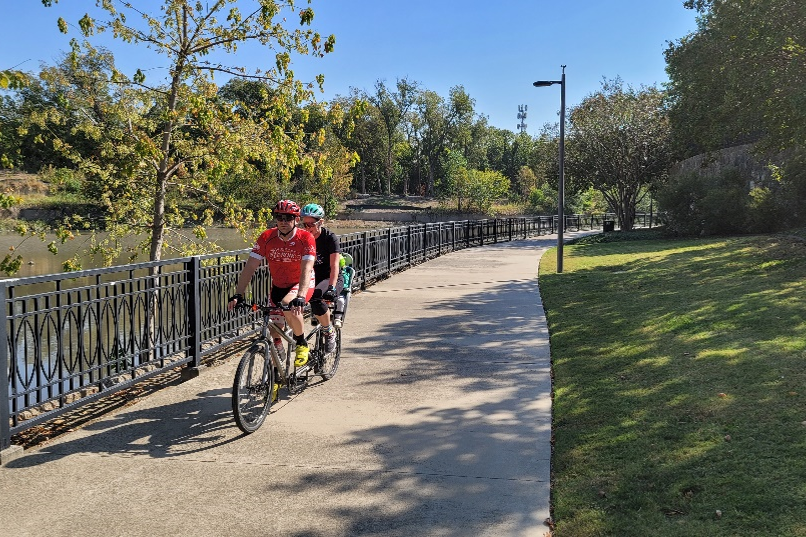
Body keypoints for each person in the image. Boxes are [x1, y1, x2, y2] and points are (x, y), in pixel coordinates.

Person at [228, 199, 316, 367]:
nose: (283, 222)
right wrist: (238, 294)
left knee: (288, 304)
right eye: (279, 217)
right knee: (274, 330)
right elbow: (250, 267)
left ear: (296, 220)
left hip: (302, 282)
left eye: (288, 218)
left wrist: (301, 296)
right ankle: (274, 379)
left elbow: (307, 268)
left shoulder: (305, 237)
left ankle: (301, 344)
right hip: (278, 285)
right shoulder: (267, 237)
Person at [299, 203, 343, 353]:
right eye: (304, 224)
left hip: (330, 277)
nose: (307, 227)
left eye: (311, 223)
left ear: (321, 222)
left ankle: (329, 331)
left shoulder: (329, 238)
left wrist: (331, 287)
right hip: (311, 277)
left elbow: (335, 265)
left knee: (317, 296)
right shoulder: (302, 238)